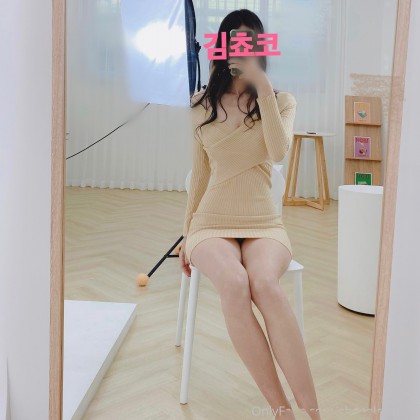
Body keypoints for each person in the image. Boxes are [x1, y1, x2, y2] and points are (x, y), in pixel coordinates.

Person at [179, 9, 321, 420]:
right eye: (237, 43)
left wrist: (262, 86)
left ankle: (314, 413)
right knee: (235, 282)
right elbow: (200, 175)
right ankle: (282, 410)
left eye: (252, 44)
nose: (244, 52)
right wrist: (186, 233)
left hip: (263, 223)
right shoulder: (200, 105)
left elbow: (277, 152)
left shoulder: (281, 102)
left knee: (265, 284)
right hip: (211, 222)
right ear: (223, 49)